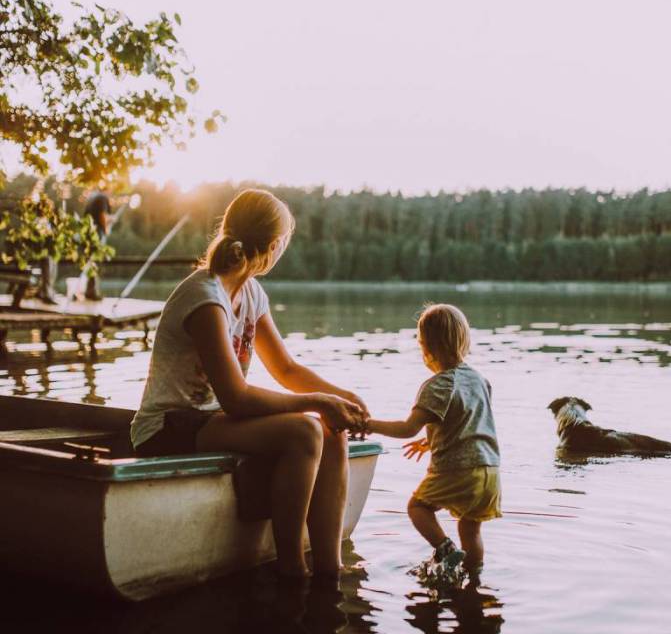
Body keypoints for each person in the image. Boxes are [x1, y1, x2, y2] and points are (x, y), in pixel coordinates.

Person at [130, 188, 369, 578]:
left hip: (212, 421)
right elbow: (237, 398)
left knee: (331, 430)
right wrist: (317, 402)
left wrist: (341, 398)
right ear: (274, 246)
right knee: (306, 432)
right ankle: (292, 568)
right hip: (166, 427)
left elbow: (286, 369)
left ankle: (330, 568)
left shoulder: (251, 293)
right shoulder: (205, 297)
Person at [362, 303, 501, 582]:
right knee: (471, 530)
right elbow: (466, 421)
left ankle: (446, 549)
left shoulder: (436, 385)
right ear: (464, 340)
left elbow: (406, 429)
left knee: (418, 508)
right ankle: (473, 580)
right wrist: (430, 442)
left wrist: (367, 424)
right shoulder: (480, 380)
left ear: (426, 347)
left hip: (458, 469)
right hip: (490, 472)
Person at [84, 188, 112, 300]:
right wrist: (105, 230)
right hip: (97, 233)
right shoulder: (102, 197)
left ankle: (90, 290)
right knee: (95, 261)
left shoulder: (92, 197)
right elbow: (102, 215)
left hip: (88, 233)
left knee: (91, 261)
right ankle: (92, 292)